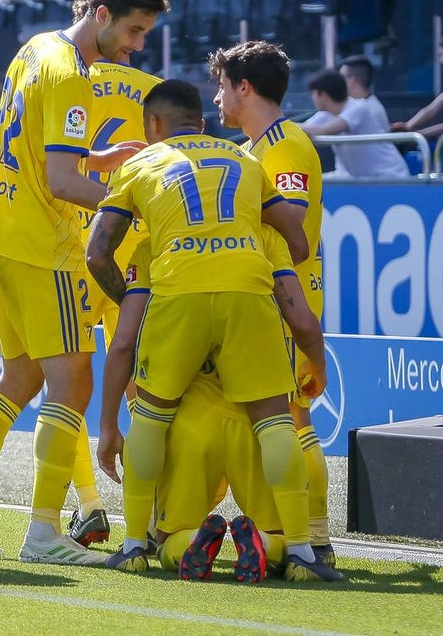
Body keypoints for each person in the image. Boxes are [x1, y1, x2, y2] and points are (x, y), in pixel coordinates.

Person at [0, 0, 167, 565]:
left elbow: (14, 143)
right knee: (72, 384)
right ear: (103, 14)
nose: (137, 47)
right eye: (134, 31)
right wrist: (135, 211)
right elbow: (60, 182)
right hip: (47, 251)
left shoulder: (34, 49)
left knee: (20, 379)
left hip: (1, 239)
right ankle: (44, 534)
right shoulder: (70, 75)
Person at [87, 79, 337, 582]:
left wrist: (138, 298)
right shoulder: (247, 162)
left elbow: (98, 252)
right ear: (201, 123)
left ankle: (136, 543)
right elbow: (295, 241)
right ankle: (305, 554)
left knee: (153, 419)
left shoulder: (140, 167)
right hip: (247, 288)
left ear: (153, 126)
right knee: (277, 423)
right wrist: (315, 360)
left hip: (177, 292)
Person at [104, 228, 328, 582]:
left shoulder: (155, 244)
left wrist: (106, 424)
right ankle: (293, 549)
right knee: (289, 440)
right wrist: (317, 361)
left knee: (167, 539)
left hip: (189, 427)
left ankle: (148, 544)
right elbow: (300, 315)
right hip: (255, 426)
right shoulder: (265, 239)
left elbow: (123, 343)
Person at [207, 40, 336, 570]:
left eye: (221, 86)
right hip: (268, 297)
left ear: (244, 87)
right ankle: (297, 534)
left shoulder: (284, 145)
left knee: (293, 417)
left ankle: (315, 539)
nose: (216, 99)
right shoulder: (260, 147)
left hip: (287, 300)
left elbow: (294, 224)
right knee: (282, 417)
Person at [300, 63, 409, 178]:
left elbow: (325, 130)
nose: (312, 98)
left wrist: (286, 124)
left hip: (390, 176)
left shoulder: (358, 107)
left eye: (313, 93)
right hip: (358, 177)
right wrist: (287, 126)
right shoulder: (325, 114)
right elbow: (304, 128)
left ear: (324, 95)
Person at [392, 30, 443, 139]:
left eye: (441, 55)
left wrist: (412, 136)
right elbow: (432, 108)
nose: (441, 60)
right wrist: (407, 125)